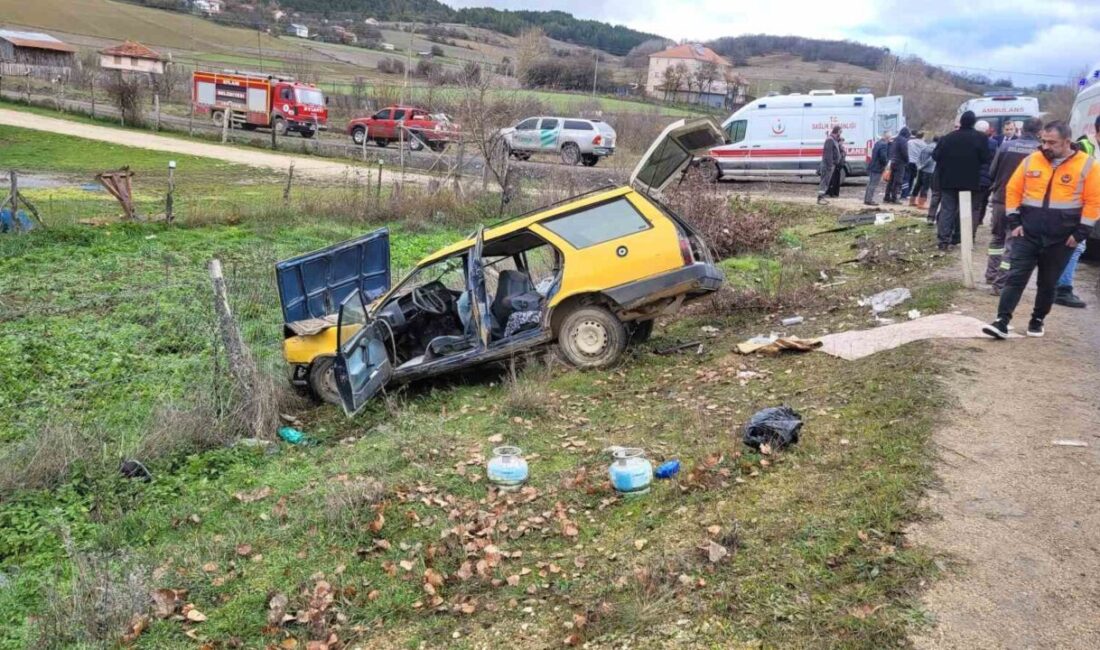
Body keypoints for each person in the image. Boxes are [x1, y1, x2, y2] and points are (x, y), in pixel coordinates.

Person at [982, 121, 1100, 339]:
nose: (1046, 146)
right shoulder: (1032, 160)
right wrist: (1014, 222)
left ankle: (1037, 320)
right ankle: (1001, 321)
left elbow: (1094, 201)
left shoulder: (1088, 165)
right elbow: (1013, 189)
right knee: (1016, 277)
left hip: (1062, 238)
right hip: (1028, 233)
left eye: (1052, 142)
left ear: (1067, 141)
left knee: (1047, 283)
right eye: (1043, 141)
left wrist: (1080, 233)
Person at [985, 117, 1042, 294]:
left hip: (1001, 199)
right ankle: (1000, 283)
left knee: (997, 238)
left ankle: (991, 274)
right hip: (1023, 204)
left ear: (1021, 129)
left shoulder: (1005, 146)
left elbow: (992, 172)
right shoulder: (1040, 152)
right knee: (1012, 243)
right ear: (1040, 132)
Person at [1054, 116, 1100, 308]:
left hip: (1089, 205)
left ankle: (1058, 286)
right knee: (1075, 246)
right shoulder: (1083, 147)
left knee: (1075, 246)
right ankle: (1062, 289)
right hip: (1075, 206)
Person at [932, 111, 992, 250]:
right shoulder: (981, 138)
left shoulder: (947, 138)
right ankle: (961, 238)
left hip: (948, 180)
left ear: (960, 122)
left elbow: (936, 156)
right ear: (973, 123)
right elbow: (985, 158)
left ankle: (943, 240)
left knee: (947, 210)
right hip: (970, 180)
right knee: (966, 211)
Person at [975, 120, 997, 226]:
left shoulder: (972, 141)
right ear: (987, 130)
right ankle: (979, 220)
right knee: (983, 201)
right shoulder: (993, 143)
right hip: (987, 177)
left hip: (973, 176)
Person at [817, 126, 844, 205]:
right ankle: (820, 198)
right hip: (828, 165)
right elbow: (828, 154)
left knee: (826, 182)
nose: (840, 134)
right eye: (840, 132)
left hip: (831, 165)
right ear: (837, 131)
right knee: (824, 182)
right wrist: (830, 165)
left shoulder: (834, 140)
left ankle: (821, 197)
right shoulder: (830, 140)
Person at [884, 126, 911, 204]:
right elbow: (904, 152)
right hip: (900, 163)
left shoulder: (895, 139)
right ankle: (894, 198)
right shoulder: (903, 140)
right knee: (898, 181)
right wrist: (907, 161)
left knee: (891, 180)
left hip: (893, 161)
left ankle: (887, 197)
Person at [864, 131, 891, 206]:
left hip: (873, 165)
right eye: (890, 137)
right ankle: (869, 200)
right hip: (877, 167)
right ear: (887, 138)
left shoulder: (877, 143)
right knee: (873, 184)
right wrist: (886, 164)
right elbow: (883, 157)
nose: (890, 139)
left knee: (870, 183)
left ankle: (867, 199)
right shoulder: (884, 145)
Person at [907, 131, 928, 206]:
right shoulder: (924, 145)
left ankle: (907, 192)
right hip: (918, 163)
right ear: (922, 137)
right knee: (916, 179)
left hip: (909, 161)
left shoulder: (909, 142)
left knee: (908, 177)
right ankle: (911, 192)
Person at [926, 136, 943, 225]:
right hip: (949, 176)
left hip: (938, 174)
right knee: (946, 198)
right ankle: (940, 218)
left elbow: (934, 156)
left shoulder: (941, 146)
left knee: (935, 196)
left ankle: (930, 217)